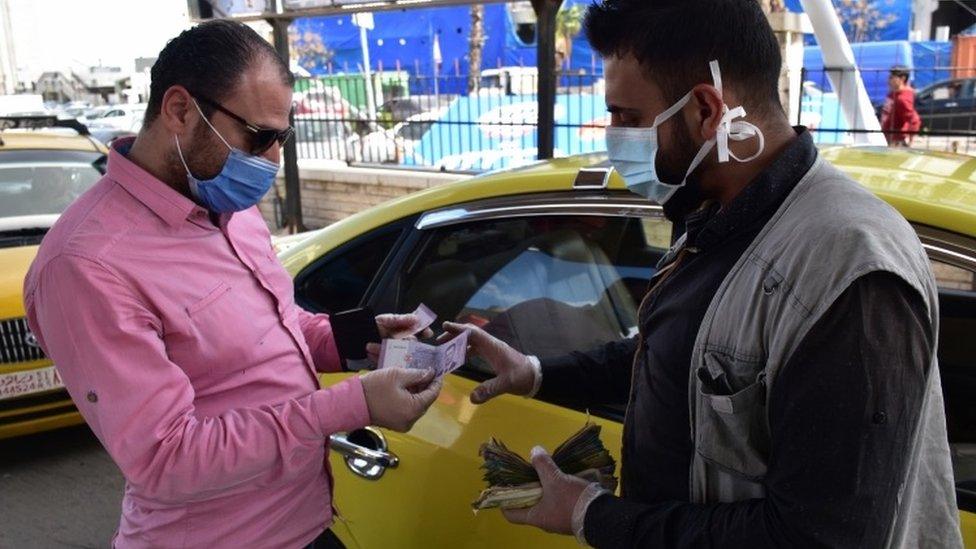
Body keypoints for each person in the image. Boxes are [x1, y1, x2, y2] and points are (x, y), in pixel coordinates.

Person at [440, 1, 962, 547]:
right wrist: (535, 370)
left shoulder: (846, 270)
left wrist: (592, 516)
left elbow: (815, 536)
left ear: (708, 110)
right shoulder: (717, 215)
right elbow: (682, 356)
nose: (613, 139)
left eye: (627, 118)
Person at [23, 20, 441, 549]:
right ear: (179, 110)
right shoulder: (85, 265)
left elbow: (270, 332)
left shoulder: (231, 208)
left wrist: (353, 337)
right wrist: (353, 404)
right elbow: (166, 457)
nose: (272, 159)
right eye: (259, 137)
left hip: (307, 521)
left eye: (282, 138)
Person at [881, 66, 922, 147]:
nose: (889, 80)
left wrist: (907, 138)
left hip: (895, 141)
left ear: (902, 79)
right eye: (889, 77)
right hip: (886, 136)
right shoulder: (892, 94)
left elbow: (913, 120)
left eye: (892, 77)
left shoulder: (902, 99)